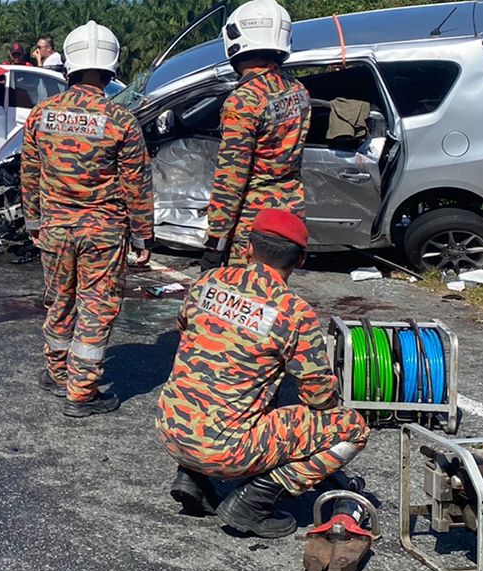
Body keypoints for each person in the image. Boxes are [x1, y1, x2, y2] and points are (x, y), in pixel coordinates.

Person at [156, 209, 370, 538]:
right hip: (225, 451)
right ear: (300, 262)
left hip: (171, 429)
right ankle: (253, 501)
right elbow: (320, 396)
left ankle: (191, 477)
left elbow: (184, 329)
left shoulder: (207, 282)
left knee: (218, 379)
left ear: (248, 249)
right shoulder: (294, 312)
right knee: (352, 429)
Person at [21, 21, 152, 418]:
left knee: (60, 300)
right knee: (96, 306)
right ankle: (81, 392)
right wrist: (143, 236)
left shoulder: (41, 115)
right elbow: (137, 184)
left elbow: (29, 173)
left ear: (70, 64)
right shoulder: (120, 120)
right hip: (104, 233)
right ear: (110, 66)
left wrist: (33, 223)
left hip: (56, 230)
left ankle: (58, 371)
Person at [201, 0, 310, 269]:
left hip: (254, 222)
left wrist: (215, 243)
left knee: (250, 298)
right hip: (290, 214)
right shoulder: (298, 91)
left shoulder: (243, 101)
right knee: (276, 289)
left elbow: (231, 180)